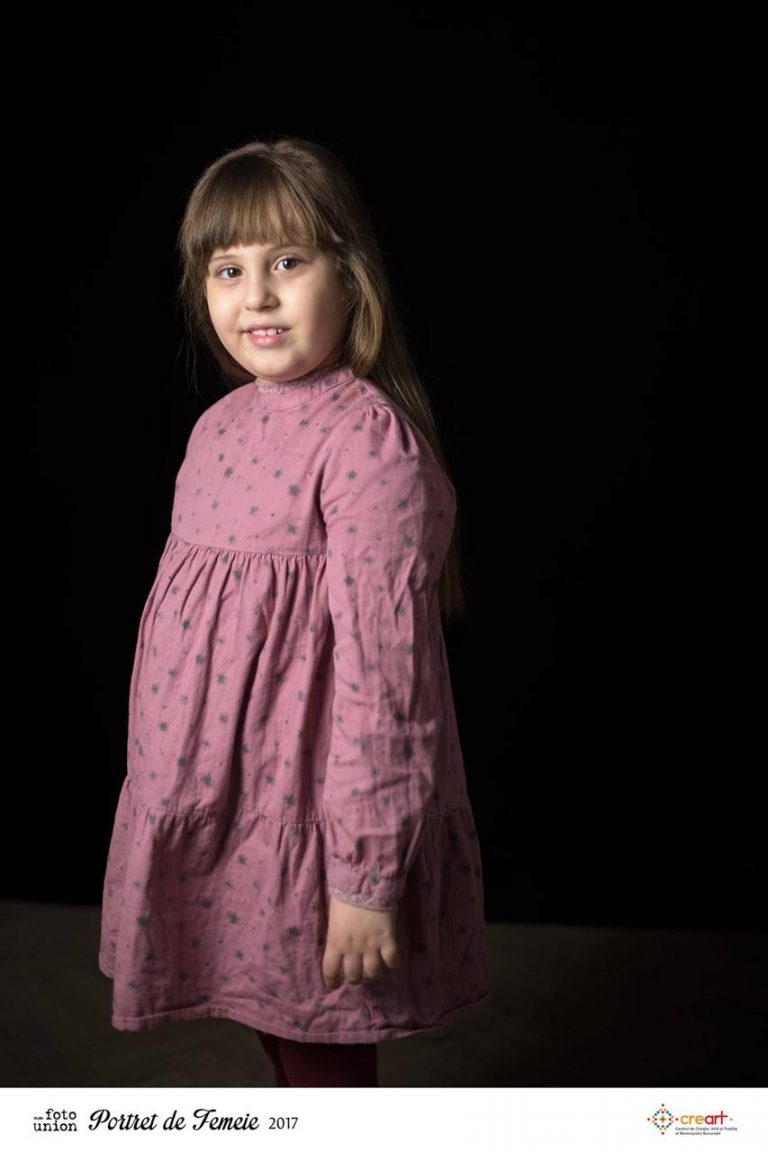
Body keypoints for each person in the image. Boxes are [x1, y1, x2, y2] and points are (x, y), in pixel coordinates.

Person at [98, 134, 494, 1088]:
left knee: (322, 1047)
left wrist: (364, 877)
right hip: (218, 811)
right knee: (277, 1030)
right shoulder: (218, 428)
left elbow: (388, 688)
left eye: (287, 262)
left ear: (348, 276)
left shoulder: (367, 448)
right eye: (227, 270)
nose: (257, 297)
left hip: (314, 828)